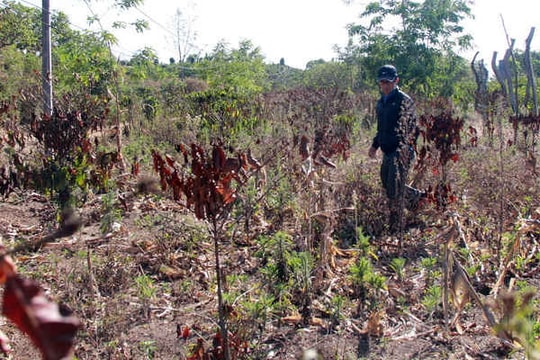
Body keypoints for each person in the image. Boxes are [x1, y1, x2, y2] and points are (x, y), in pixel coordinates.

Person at [368, 64, 425, 233]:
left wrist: (405, 149)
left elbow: (414, 129)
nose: (385, 85)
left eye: (388, 82)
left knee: (394, 188)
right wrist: (374, 145)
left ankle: (396, 227)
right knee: (387, 184)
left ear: (396, 81)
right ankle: (418, 199)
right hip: (387, 150)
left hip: (400, 151)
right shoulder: (381, 103)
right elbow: (381, 129)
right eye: (382, 82)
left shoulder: (404, 100)